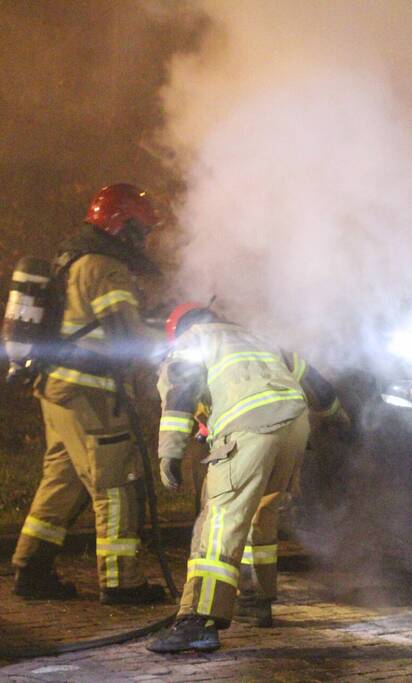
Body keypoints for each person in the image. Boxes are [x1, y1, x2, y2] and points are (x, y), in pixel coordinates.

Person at [11, 183, 166, 604]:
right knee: (115, 487)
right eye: (140, 229)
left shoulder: (75, 259)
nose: (144, 240)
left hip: (57, 389)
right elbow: (127, 334)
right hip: (90, 395)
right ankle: (121, 581)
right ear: (122, 226)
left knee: (62, 483)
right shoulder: (106, 266)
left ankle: (31, 568)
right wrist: (176, 339)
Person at [147, 303, 325, 653]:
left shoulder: (193, 339)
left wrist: (170, 450)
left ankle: (199, 621)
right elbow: (317, 381)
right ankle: (255, 601)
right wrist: (339, 417)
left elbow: (180, 391)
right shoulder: (255, 336)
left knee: (218, 520)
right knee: (258, 511)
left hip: (250, 428)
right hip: (295, 426)